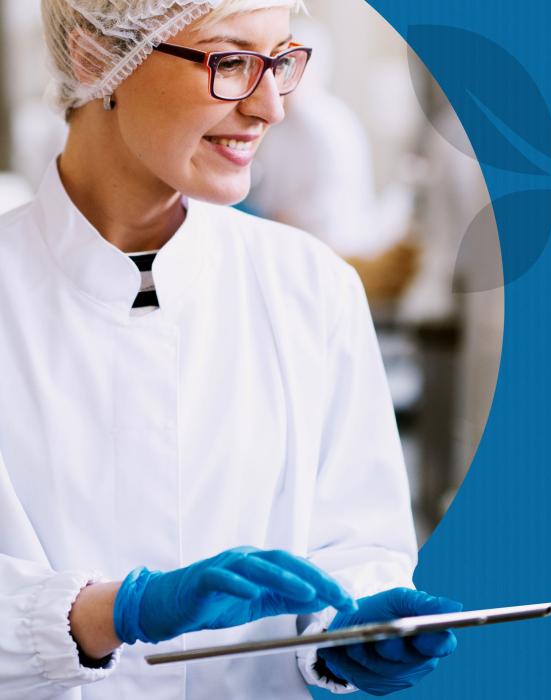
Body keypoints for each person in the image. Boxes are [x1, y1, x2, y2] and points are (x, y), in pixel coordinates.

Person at [0, 1, 462, 698]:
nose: (271, 107)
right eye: (231, 61)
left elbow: (358, 547)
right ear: (97, 59)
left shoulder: (312, 291)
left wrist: (349, 634)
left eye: (280, 61)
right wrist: (110, 613)